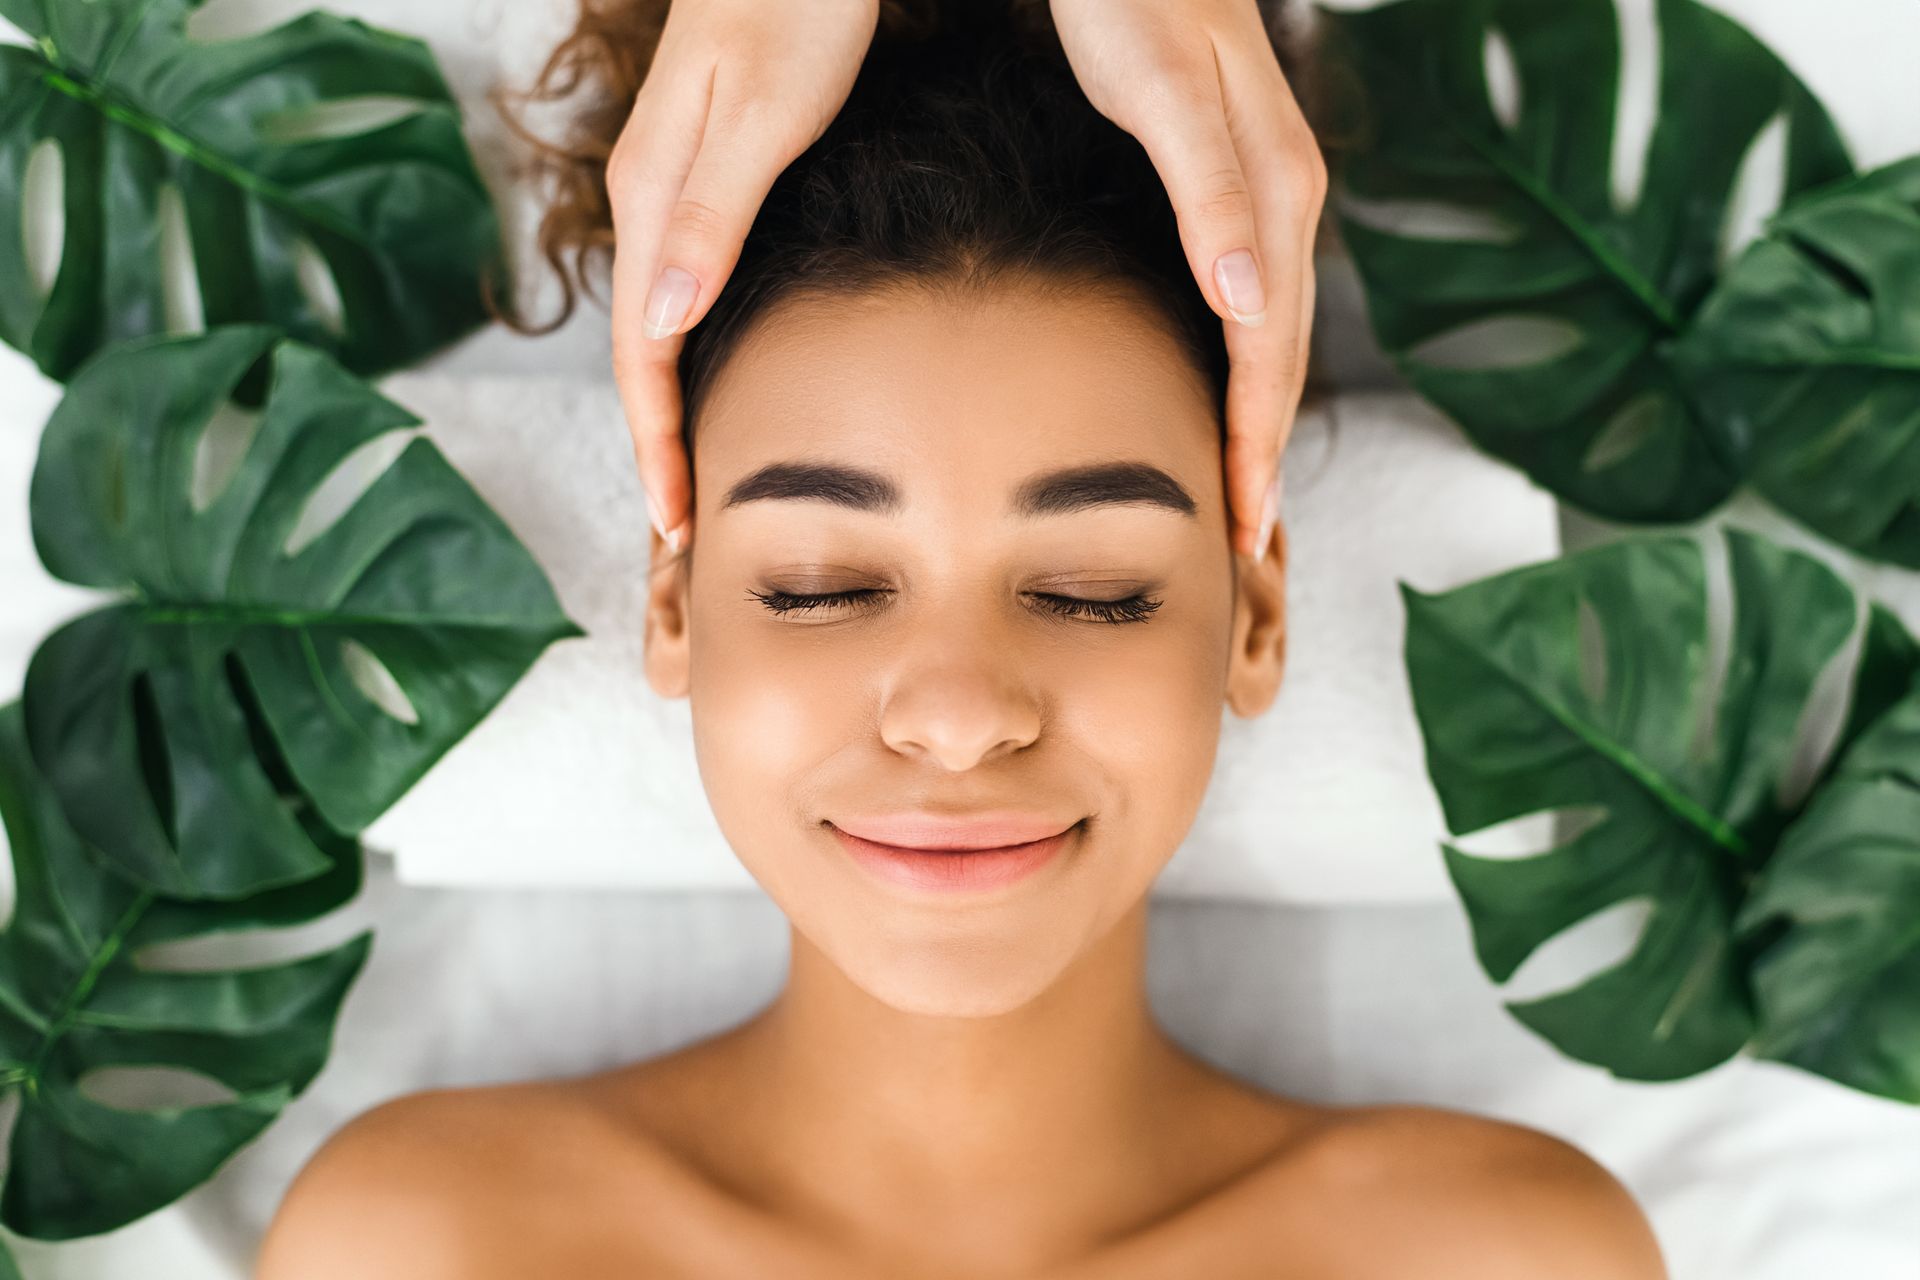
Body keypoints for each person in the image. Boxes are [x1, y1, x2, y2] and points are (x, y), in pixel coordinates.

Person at [255, 2, 1668, 1277]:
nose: (956, 711)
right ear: (670, 606)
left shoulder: (1500, 1256)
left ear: (1257, 616)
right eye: (815, 584)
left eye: (1093, 588)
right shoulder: (428, 1244)